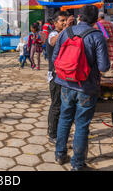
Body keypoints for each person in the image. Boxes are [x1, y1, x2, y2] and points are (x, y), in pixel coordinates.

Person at [52, 5, 110, 171]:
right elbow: (104, 66)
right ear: (95, 20)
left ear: (79, 17)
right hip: (86, 87)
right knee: (82, 124)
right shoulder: (97, 36)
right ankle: (77, 164)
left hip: (65, 84)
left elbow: (55, 57)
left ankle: (60, 154)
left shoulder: (66, 32)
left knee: (64, 118)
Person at [47, 11, 68, 145]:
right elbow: (53, 42)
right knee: (56, 105)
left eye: (66, 20)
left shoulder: (65, 34)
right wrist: (65, 29)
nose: (65, 23)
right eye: (62, 21)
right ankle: (52, 134)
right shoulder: (53, 34)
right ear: (55, 23)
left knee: (63, 105)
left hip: (64, 74)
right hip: (55, 75)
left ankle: (59, 131)